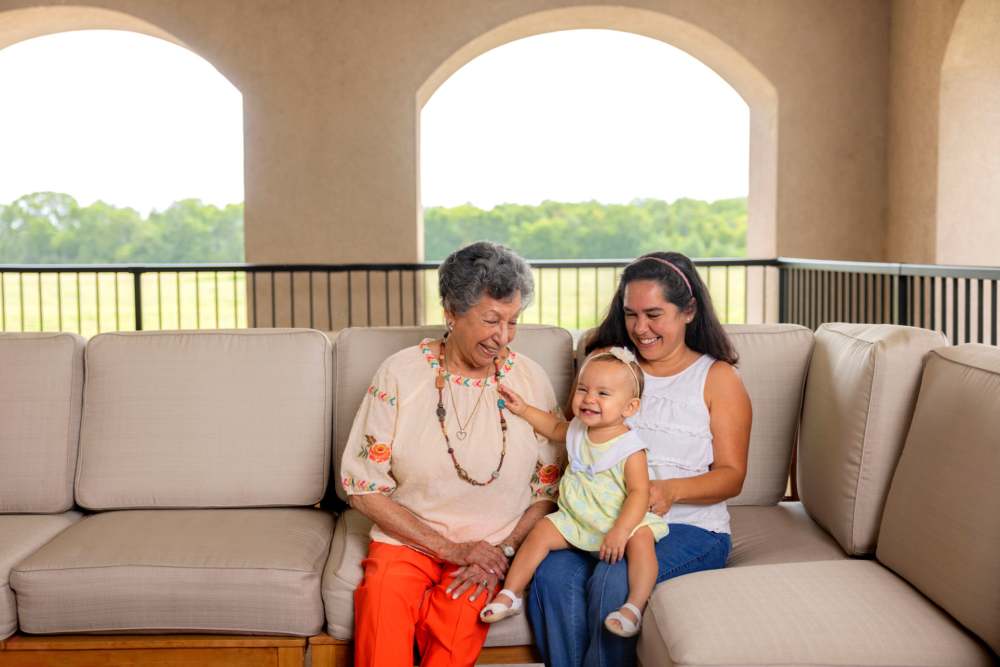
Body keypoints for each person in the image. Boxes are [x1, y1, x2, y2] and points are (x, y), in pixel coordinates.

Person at [340, 241, 564, 667]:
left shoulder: (530, 380)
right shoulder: (401, 374)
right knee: (382, 625)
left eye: (513, 321)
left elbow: (547, 490)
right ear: (451, 313)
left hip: (492, 548)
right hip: (408, 542)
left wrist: (505, 551)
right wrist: (448, 549)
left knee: (455, 634)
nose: (503, 337)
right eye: (491, 320)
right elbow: (362, 487)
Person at [527, 251, 752, 667]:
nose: (640, 328)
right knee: (553, 578)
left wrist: (669, 490)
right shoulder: (608, 367)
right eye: (631, 314)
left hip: (688, 528)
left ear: (688, 312)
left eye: (654, 314)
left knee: (615, 578)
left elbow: (732, 476)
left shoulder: (717, 378)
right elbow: (572, 437)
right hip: (600, 519)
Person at [478, 347, 668, 639]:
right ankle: (511, 593)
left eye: (603, 394)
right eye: (583, 389)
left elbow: (639, 494)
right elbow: (554, 427)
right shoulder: (578, 429)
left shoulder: (630, 449)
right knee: (541, 531)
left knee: (642, 542)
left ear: (629, 408)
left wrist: (621, 530)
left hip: (618, 522)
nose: (589, 399)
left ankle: (633, 606)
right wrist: (523, 409)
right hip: (577, 520)